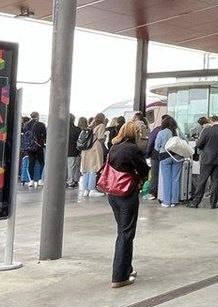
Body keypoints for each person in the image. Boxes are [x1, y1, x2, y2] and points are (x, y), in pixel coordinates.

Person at [105, 120, 149, 288]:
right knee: (126, 234)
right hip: (127, 194)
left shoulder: (114, 147)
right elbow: (144, 170)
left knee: (122, 231)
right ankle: (119, 276)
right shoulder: (132, 149)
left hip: (113, 193)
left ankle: (127, 268)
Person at [191, 115, 218, 209]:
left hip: (207, 159)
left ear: (212, 121)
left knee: (202, 181)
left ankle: (195, 202)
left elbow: (199, 145)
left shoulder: (207, 130)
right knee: (215, 181)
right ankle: (213, 203)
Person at [153, 115, 182, 208]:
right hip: (177, 157)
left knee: (166, 179)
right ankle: (174, 201)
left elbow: (156, 146)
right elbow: (185, 142)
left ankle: (166, 202)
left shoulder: (161, 133)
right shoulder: (178, 132)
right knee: (176, 179)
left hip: (165, 157)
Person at [78, 114, 107, 197]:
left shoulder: (90, 126)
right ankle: (92, 189)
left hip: (86, 150)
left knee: (86, 170)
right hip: (94, 150)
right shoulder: (101, 125)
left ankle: (86, 190)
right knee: (93, 170)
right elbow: (101, 138)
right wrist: (105, 136)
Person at [21, 111, 47, 188]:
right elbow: (45, 135)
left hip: (29, 148)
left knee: (31, 163)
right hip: (38, 147)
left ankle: (31, 181)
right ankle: (40, 180)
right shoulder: (41, 124)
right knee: (42, 162)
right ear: (38, 116)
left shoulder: (27, 125)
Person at [66, 115, 81, 189]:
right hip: (73, 151)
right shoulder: (77, 129)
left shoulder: (62, 129)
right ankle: (70, 181)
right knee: (71, 167)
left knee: (64, 167)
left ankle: (64, 180)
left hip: (62, 151)